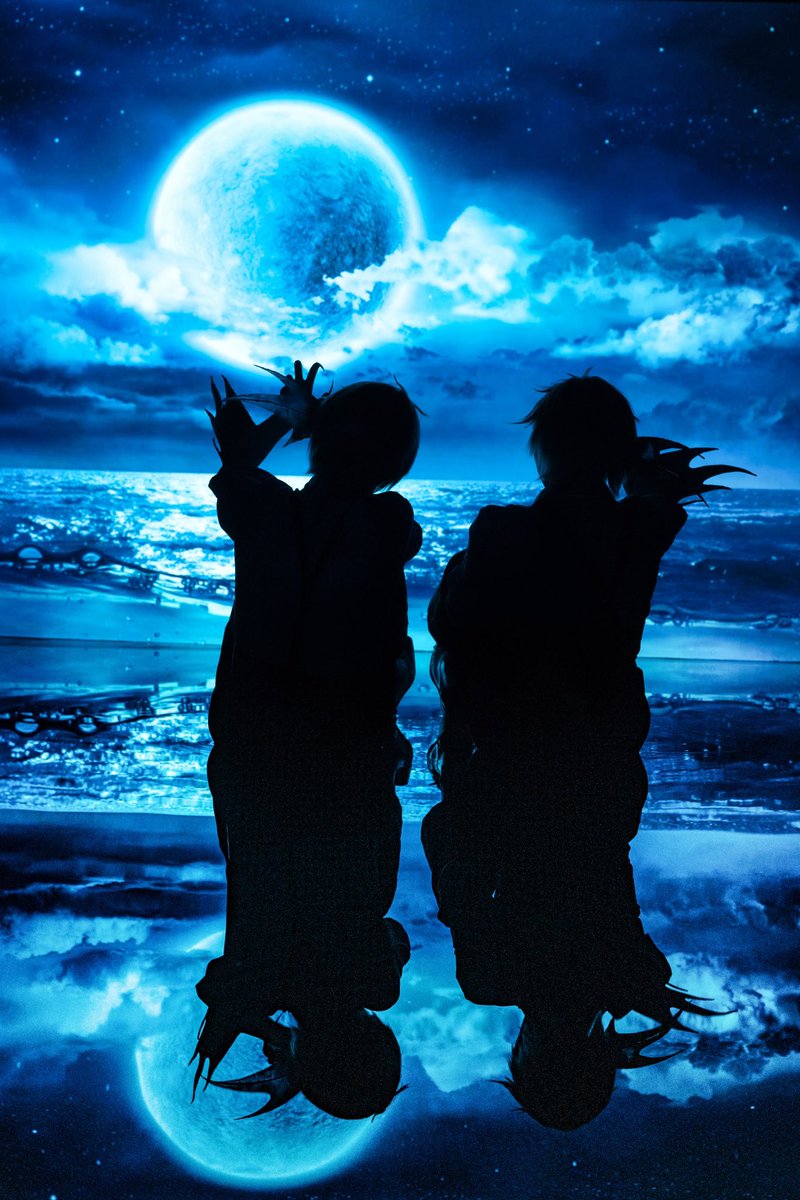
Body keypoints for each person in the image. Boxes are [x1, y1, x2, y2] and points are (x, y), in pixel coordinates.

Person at [422, 371, 741, 1128]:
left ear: (542, 447)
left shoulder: (632, 973)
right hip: (545, 758)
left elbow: (457, 620)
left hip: (588, 770)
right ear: (523, 1056)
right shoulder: (490, 978)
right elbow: (449, 849)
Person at [191, 363, 422, 1120]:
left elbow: (236, 477)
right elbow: (238, 476)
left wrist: (293, 424)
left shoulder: (273, 514)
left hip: (331, 754)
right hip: (264, 753)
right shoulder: (384, 525)